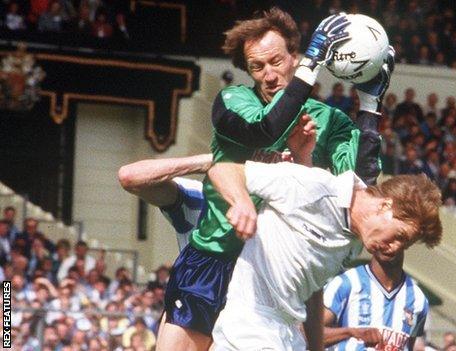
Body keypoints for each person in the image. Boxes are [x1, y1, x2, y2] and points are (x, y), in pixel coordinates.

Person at [128, 8, 392, 351]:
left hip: (273, 276)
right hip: (216, 260)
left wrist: (370, 106)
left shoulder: (331, 121)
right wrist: (310, 69)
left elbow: (360, 184)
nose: (269, 75)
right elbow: (263, 130)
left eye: (277, 61)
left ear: (293, 57)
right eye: (257, 67)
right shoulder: (234, 101)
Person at [207, 160, 442, 350]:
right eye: (400, 235)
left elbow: (313, 290)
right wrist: (242, 203)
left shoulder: (354, 243)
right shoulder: (316, 187)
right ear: (385, 206)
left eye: (404, 244)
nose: (395, 248)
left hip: (288, 338)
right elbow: (224, 170)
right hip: (249, 326)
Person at [322, 252, 429, 350]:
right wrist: (352, 332)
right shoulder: (346, 283)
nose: (389, 244)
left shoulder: (418, 299)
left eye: (397, 237)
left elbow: (408, 347)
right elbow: (309, 335)